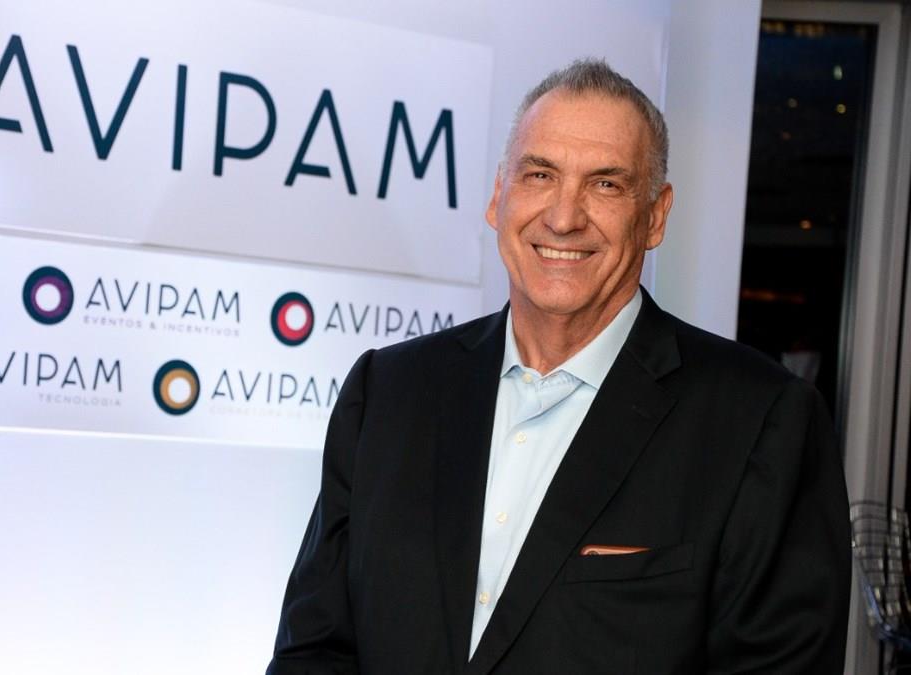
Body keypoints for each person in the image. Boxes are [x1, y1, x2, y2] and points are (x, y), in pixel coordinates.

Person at [266, 58, 850, 674]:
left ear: (655, 216)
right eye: (540, 174)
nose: (564, 217)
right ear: (499, 196)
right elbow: (314, 650)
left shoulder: (762, 423)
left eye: (606, 184)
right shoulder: (387, 392)